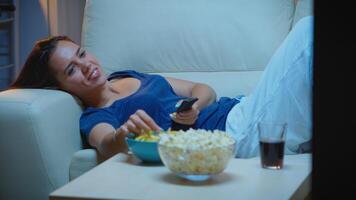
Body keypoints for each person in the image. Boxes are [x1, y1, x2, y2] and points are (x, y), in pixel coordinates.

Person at [10, 16, 314, 160]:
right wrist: (124, 134)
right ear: (61, 85)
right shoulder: (94, 116)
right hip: (237, 135)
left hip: (241, 109)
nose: (86, 64)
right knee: (308, 32)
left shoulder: (127, 74)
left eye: (81, 54)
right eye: (72, 70)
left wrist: (195, 106)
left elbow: (202, 87)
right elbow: (106, 144)